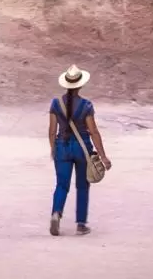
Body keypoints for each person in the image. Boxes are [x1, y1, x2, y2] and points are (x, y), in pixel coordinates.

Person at [48, 64, 112, 236]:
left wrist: (53, 149)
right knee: (82, 186)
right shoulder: (86, 106)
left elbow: (52, 131)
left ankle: (56, 213)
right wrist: (103, 157)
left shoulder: (56, 104)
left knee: (62, 185)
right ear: (80, 85)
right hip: (82, 148)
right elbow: (93, 131)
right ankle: (81, 224)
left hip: (62, 146)